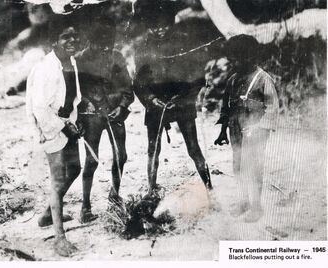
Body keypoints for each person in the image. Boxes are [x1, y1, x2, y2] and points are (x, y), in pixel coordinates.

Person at [133, 2, 213, 196]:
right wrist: (151, 99)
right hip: (156, 105)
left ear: (171, 21)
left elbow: (198, 77)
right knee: (153, 148)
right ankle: (151, 190)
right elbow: (138, 82)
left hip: (182, 102)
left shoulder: (184, 42)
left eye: (164, 24)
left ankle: (209, 188)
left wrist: (185, 97)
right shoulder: (142, 46)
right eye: (154, 25)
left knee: (193, 147)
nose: (160, 29)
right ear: (148, 25)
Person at [26, 16, 83, 256]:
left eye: (73, 36)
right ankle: (59, 238)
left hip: (65, 122)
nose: (71, 40)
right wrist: (61, 126)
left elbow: (71, 98)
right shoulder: (45, 69)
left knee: (76, 168)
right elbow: (40, 108)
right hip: (48, 125)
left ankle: (50, 213)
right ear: (54, 42)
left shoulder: (71, 61)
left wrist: (72, 122)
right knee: (58, 179)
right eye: (65, 37)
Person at [214, 34, 279, 222]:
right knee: (238, 165)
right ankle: (243, 201)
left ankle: (257, 206)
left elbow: (272, 108)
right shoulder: (232, 80)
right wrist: (221, 131)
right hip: (235, 128)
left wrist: (259, 128)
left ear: (249, 56)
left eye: (236, 59)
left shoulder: (263, 78)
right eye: (231, 59)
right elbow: (225, 108)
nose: (232, 63)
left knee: (254, 167)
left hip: (256, 130)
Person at [76, 17, 134, 219]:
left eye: (108, 44)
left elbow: (128, 89)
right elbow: (72, 92)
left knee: (122, 156)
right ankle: (85, 207)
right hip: (91, 117)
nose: (104, 48)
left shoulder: (117, 57)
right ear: (89, 41)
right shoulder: (79, 60)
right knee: (91, 160)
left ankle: (115, 196)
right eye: (99, 44)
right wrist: (85, 102)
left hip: (114, 114)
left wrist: (122, 106)